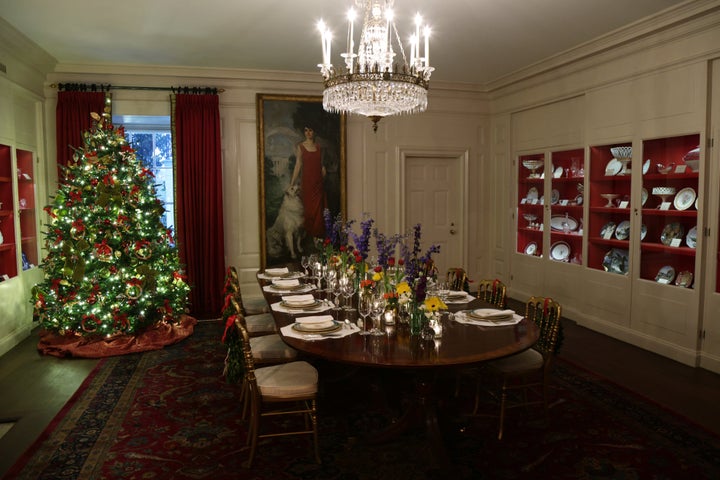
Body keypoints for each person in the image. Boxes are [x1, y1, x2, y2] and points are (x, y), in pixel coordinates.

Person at [289, 126, 327, 238]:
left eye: (310, 130)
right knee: (308, 209)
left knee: (318, 211)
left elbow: (321, 166)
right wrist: (292, 183)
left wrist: (323, 173)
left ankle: (317, 237)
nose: (308, 133)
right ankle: (308, 234)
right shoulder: (300, 147)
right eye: (306, 130)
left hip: (318, 183)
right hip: (307, 183)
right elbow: (298, 165)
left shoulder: (319, 147)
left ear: (314, 132)